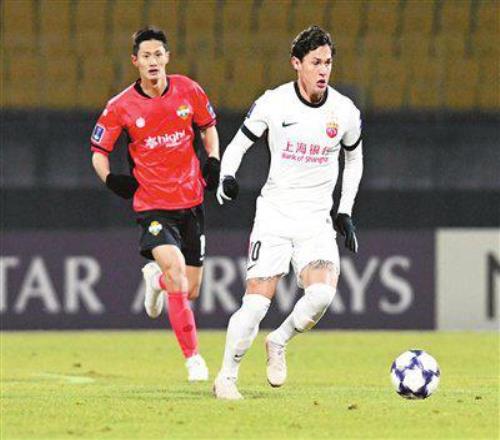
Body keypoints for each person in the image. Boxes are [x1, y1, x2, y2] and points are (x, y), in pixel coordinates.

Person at [213, 26, 363, 399]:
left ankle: (278, 340)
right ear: (296, 63)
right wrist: (227, 177)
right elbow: (237, 145)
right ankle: (226, 377)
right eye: (315, 63)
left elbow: (354, 158)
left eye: (328, 62)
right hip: (275, 216)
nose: (323, 70)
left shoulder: (344, 111)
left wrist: (344, 211)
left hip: (316, 221)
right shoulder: (273, 103)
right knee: (255, 305)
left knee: (322, 295)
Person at [90, 26, 220, 382]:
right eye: (145, 56)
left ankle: (155, 280)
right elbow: (99, 150)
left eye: (158, 55)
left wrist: (213, 159)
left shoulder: (189, 90)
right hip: (153, 205)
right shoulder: (120, 106)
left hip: (191, 201)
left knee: (190, 287)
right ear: (135, 61)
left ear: (167, 58)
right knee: (176, 269)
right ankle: (193, 358)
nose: (152, 61)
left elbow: (208, 127)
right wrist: (110, 179)